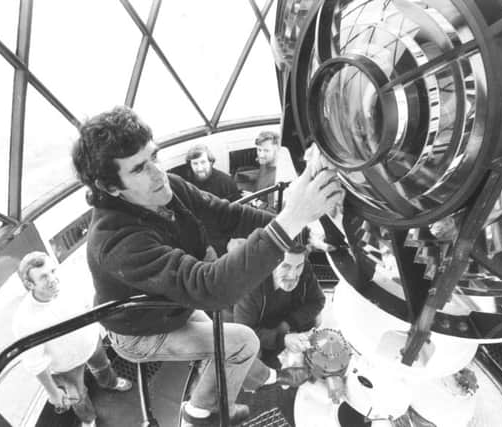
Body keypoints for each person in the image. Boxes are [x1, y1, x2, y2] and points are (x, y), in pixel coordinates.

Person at [70, 106, 343, 426]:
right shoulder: (115, 242)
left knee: (229, 342)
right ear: (111, 187)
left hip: (172, 305)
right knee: (242, 341)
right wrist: (290, 220)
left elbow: (230, 216)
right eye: (140, 168)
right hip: (140, 331)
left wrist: (304, 231)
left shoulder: (168, 190)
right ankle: (197, 414)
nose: (158, 174)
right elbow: (210, 288)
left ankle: (261, 380)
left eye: (154, 157)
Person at [12, 251, 132, 427]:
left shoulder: (70, 283)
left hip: (91, 344)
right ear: (30, 284)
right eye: (43, 277)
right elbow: (35, 363)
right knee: (78, 396)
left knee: (103, 366)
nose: (53, 279)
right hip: (66, 366)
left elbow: (91, 306)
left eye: (52, 271)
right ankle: (89, 419)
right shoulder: (25, 320)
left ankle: (110, 383)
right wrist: (53, 392)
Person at [233, 228, 325, 369]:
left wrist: (289, 323)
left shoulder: (305, 267)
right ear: (271, 262)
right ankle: (266, 377)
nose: (293, 275)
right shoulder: (249, 284)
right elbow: (245, 331)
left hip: (286, 319)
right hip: (257, 327)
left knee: (317, 319)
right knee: (249, 352)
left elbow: (318, 300)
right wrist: (282, 338)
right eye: (286, 267)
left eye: (298, 266)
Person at [182, 143, 242, 255]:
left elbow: (238, 213)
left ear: (211, 161)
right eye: (195, 163)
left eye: (203, 162)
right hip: (200, 239)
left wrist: (233, 240)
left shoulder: (226, 182)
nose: (199, 168)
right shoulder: (186, 185)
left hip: (223, 237)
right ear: (190, 165)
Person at [253, 131, 297, 212]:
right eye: (259, 150)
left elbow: (272, 212)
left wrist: (254, 201)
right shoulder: (264, 162)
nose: (261, 155)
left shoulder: (278, 178)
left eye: (266, 151)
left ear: (276, 150)